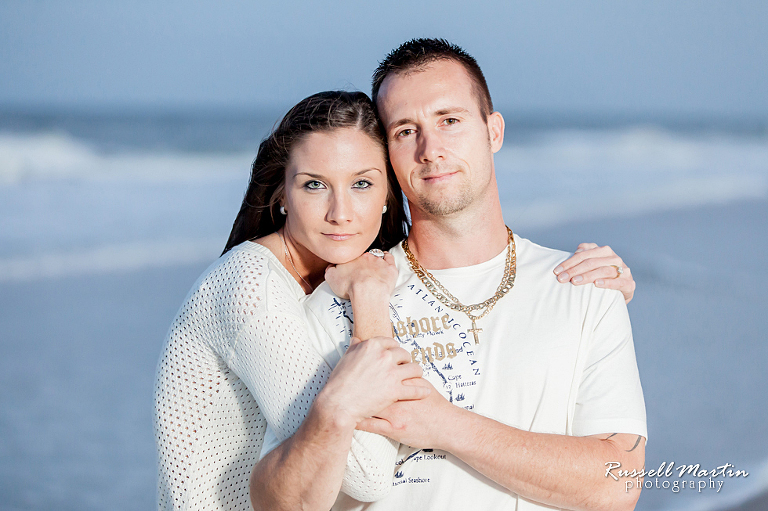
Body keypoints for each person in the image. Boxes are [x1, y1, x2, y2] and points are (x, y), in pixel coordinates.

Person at [153, 91, 635, 509]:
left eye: (361, 183)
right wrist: (369, 302)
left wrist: (595, 294)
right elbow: (365, 472)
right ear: (280, 193)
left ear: (388, 192)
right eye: (314, 184)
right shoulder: (252, 285)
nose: (341, 213)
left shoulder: (320, 276)